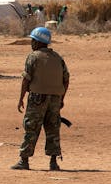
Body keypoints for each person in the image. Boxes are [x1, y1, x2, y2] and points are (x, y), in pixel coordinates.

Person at [11, 27, 70, 171]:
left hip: (37, 97)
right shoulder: (58, 58)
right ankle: (53, 162)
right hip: (55, 99)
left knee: (31, 127)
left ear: (38, 42)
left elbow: (26, 80)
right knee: (53, 128)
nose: (31, 43)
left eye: (33, 40)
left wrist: (21, 98)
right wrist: (61, 98)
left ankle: (24, 160)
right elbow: (66, 79)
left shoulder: (33, 57)